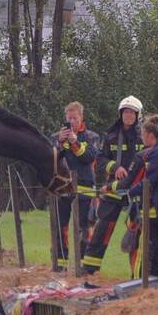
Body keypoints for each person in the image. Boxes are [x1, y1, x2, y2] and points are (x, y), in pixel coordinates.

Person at [105, 114, 158, 283]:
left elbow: (148, 183)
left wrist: (129, 193)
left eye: (143, 134)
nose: (141, 137)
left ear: (150, 135)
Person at [82, 96, 144, 274]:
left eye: (132, 112)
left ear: (138, 115)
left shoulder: (143, 136)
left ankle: (138, 274)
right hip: (114, 189)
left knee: (136, 233)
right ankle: (90, 268)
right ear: (120, 113)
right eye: (126, 112)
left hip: (136, 190)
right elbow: (100, 159)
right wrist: (115, 167)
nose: (128, 115)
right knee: (102, 228)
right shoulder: (111, 135)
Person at [51, 101, 100, 263]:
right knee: (60, 226)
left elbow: (89, 157)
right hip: (63, 187)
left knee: (85, 228)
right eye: (69, 118)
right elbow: (51, 159)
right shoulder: (56, 137)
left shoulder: (92, 137)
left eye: (75, 118)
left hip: (85, 188)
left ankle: (84, 264)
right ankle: (60, 263)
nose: (71, 121)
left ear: (81, 118)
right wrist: (59, 142)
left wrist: (75, 142)